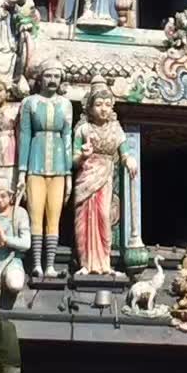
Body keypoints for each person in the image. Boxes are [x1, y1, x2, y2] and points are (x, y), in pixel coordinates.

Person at [72, 79, 135, 277]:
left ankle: (105, 262)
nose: (103, 109)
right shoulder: (83, 129)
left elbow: (125, 152)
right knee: (84, 220)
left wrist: (129, 159)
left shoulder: (116, 129)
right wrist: (83, 155)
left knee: (104, 217)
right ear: (90, 108)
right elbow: (73, 160)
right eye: (98, 104)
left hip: (105, 178)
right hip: (86, 177)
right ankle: (85, 263)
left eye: (107, 105)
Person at [17, 61, 73, 280]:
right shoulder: (30, 103)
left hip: (58, 167)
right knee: (35, 215)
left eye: (57, 76)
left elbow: (67, 138)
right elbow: (24, 136)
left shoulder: (65, 104)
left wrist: (68, 174)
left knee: (54, 217)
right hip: (35, 165)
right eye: (48, 76)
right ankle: (36, 264)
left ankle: (50, 264)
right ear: (40, 79)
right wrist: (21, 172)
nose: (52, 80)